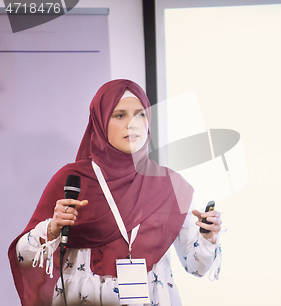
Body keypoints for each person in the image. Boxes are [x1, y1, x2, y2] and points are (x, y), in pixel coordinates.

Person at [8, 79, 222, 306]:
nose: (133, 124)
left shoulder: (171, 185)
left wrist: (208, 238)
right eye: (120, 115)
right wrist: (52, 228)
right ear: (99, 122)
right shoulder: (72, 180)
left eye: (140, 114)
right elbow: (24, 258)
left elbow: (196, 267)